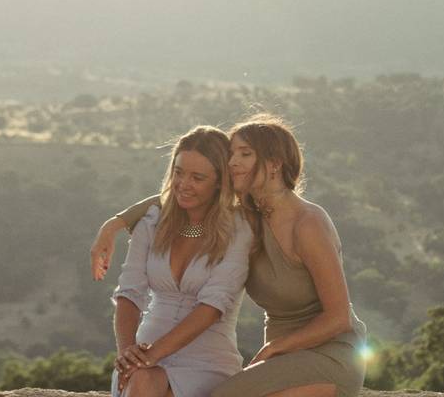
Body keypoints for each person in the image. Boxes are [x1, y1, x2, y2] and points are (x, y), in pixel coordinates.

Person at [95, 114, 366, 397]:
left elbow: (339, 318)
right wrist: (115, 223)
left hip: (328, 354)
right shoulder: (250, 216)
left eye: (245, 154)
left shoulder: (308, 222)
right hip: (283, 356)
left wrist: (275, 348)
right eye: (232, 153)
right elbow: (179, 195)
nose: (233, 161)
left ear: (274, 164)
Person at [110, 125, 253, 397]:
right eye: (178, 172)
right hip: (144, 354)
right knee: (142, 381)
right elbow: (129, 292)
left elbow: (213, 305)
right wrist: (128, 354)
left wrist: (150, 358)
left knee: (147, 383)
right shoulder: (152, 222)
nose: (183, 185)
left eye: (197, 177)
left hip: (207, 359)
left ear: (220, 182)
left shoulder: (238, 229)